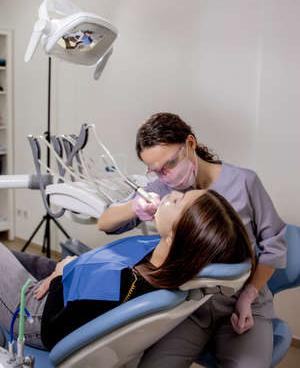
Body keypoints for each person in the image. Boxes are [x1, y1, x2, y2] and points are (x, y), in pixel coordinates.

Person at [98, 112, 287, 368]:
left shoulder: (244, 182)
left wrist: (249, 295)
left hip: (242, 302)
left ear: (190, 143)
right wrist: (135, 207)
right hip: (188, 306)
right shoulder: (162, 189)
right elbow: (105, 222)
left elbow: (275, 244)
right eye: (155, 171)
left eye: (170, 164)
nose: (165, 176)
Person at [0, 189, 254, 352]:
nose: (172, 192)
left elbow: (53, 334)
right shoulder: (164, 259)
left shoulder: (121, 284)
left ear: (175, 237)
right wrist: (68, 268)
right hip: (67, 283)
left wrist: (59, 276)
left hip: (36, 314)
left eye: (177, 200)